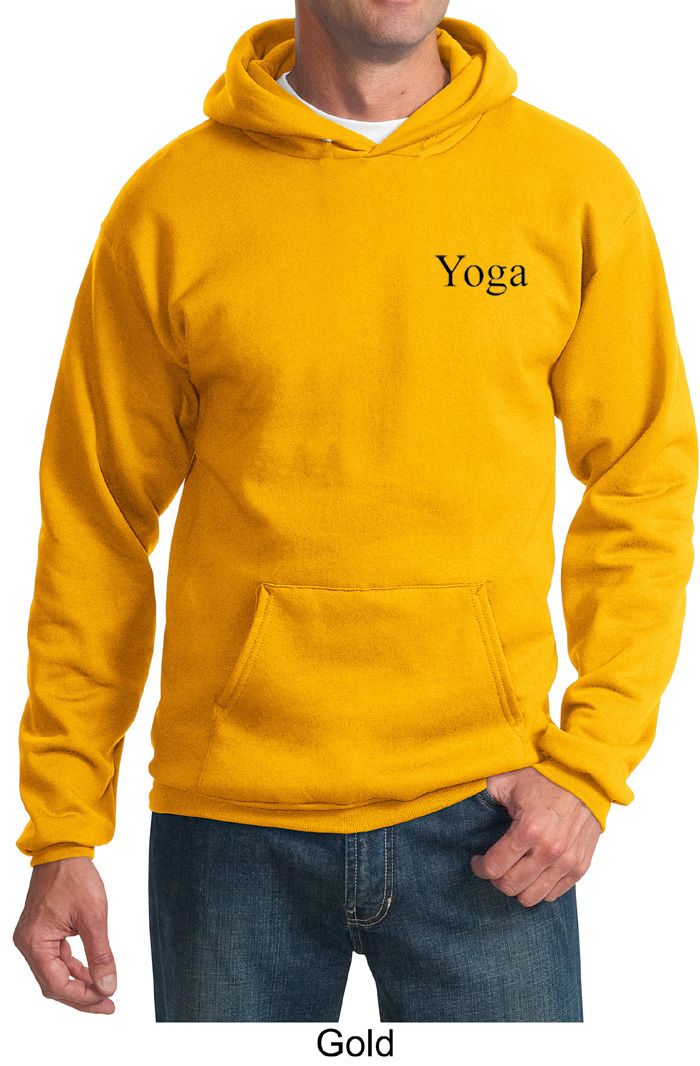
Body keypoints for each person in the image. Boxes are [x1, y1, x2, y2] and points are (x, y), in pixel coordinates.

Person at [12, 1, 697, 1024]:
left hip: (493, 815)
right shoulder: (172, 206)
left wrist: (590, 769)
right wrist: (65, 823)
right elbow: (95, 521)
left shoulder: (571, 187)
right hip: (230, 827)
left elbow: (644, 480)